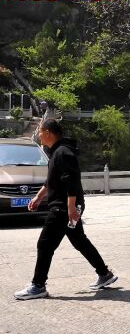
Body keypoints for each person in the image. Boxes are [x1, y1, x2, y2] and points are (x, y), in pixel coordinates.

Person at [14, 119, 117, 300]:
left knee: (45, 244)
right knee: (79, 241)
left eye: (41, 132)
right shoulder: (56, 152)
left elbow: (72, 181)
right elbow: (51, 181)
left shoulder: (63, 152)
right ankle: (104, 273)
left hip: (63, 207)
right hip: (66, 206)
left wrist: (70, 208)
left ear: (48, 132)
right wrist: (38, 197)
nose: (39, 135)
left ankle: (38, 285)